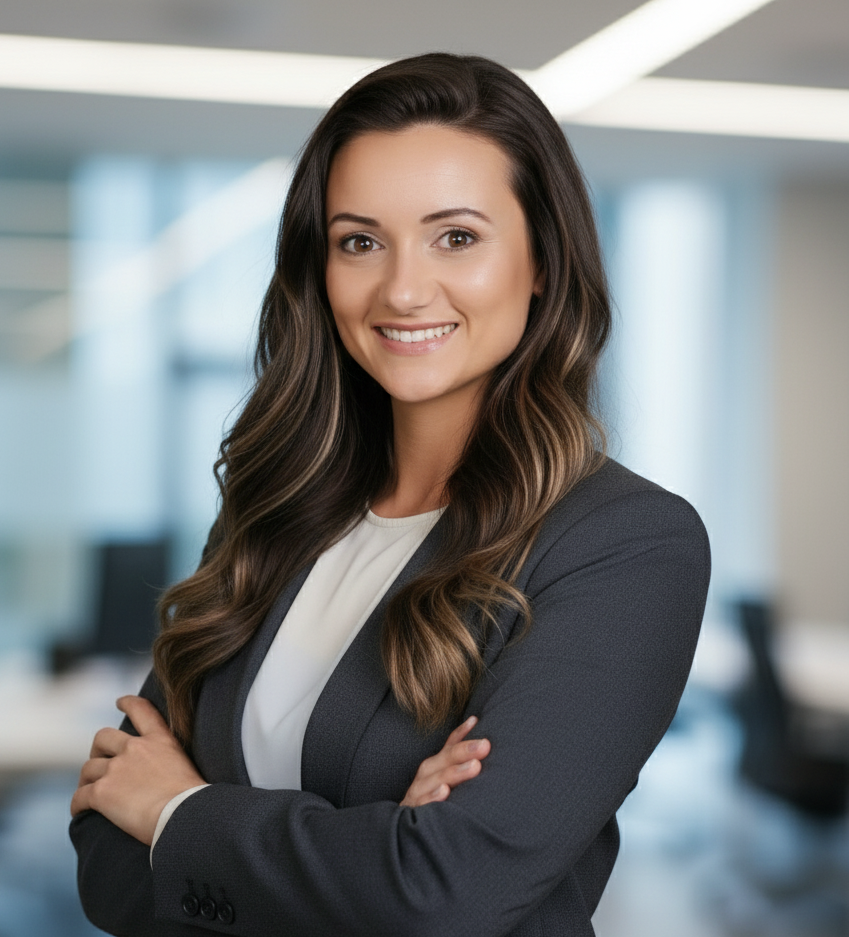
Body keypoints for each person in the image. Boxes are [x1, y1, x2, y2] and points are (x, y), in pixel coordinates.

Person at [69, 52, 710, 937]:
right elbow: (107, 863)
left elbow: (444, 892)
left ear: (541, 263)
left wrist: (179, 813)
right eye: (359, 241)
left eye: (456, 236)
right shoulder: (274, 514)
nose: (402, 288)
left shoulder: (623, 543)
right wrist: (371, 843)